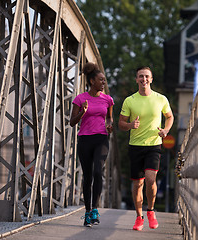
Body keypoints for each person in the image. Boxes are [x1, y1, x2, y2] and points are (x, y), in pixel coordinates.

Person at [118, 66, 174, 231]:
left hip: (154, 145)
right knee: (137, 184)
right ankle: (139, 217)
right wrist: (130, 125)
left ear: (151, 79)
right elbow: (121, 124)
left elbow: (170, 116)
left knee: (150, 179)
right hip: (135, 146)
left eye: (147, 76)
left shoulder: (161, 99)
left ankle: (150, 210)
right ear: (136, 80)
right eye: (140, 77)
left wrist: (166, 130)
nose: (144, 79)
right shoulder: (130, 100)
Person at [70, 62, 114, 227]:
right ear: (92, 81)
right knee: (87, 176)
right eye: (101, 80)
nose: (104, 83)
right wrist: (83, 112)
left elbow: (109, 118)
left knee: (98, 172)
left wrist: (110, 126)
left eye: (104, 80)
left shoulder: (108, 99)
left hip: (101, 139)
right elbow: (72, 122)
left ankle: (95, 209)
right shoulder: (80, 99)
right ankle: (87, 211)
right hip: (85, 140)